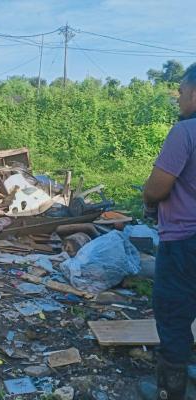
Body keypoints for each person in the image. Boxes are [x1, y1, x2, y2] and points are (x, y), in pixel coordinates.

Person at [140, 63, 196, 400]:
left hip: (185, 242)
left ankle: (170, 393)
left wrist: (148, 202)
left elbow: (157, 188)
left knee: (174, 314)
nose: (178, 97)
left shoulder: (186, 132)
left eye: (181, 90)